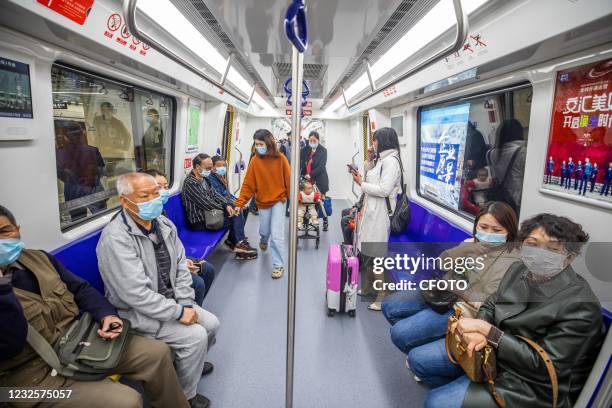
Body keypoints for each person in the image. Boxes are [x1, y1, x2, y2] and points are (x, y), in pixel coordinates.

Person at [0, 205, 190, 408]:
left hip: (77, 343)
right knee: (126, 401)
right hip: (27, 381)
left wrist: (106, 315)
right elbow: (10, 346)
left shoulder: (39, 258)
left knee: (157, 354)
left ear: (17, 229)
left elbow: (81, 289)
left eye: (4, 231)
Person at [408, 214, 603, 408]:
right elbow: (491, 304)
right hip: (492, 352)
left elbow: (546, 367)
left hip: (529, 383)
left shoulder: (582, 305)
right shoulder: (518, 269)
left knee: (436, 402)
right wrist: (479, 334)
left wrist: (490, 333)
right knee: (418, 360)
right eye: (532, 244)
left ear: (569, 257)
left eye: (552, 250)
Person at [96, 173, 220, 408]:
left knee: (212, 324)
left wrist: (185, 305)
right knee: (195, 337)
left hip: (172, 303)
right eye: (145, 196)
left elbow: (182, 268)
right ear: (125, 201)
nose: (154, 199)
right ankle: (184, 395)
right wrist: (178, 314)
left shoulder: (164, 225)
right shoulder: (115, 238)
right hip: (138, 314)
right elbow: (134, 294)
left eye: (156, 193)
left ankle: (188, 364)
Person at [382, 202, 520, 360]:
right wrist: (466, 249)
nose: (488, 234)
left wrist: (456, 288)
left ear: (509, 232)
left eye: (496, 230)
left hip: (464, 309)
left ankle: (434, 346)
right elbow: (441, 263)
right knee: (389, 305)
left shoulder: (511, 262)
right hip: (443, 293)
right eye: (483, 227)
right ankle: (428, 340)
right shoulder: (472, 244)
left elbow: (485, 302)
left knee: (400, 333)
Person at [143, 169, 216, 306]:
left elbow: (172, 242)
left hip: (172, 257)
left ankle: (195, 307)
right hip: (159, 267)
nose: (164, 191)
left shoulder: (160, 213)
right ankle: (188, 312)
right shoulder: (134, 223)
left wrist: (183, 260)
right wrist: (178, 265)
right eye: (159, 187)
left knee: (208, 269)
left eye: (166, 187)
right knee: (197, 283)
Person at [351, 127, 402, 310]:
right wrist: (370, 159)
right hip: (372, 211)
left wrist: (360, 184)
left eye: (375, 140)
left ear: (383, 141)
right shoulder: (382, 160)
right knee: (369, 252)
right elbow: (372, 177)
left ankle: (382, 295)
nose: (373, 143)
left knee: (377, 255)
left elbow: (383, 190)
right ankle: (367, 287)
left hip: (381, 214)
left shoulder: (391, 162)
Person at [234, 129, 291, 279]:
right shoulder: (255, 161)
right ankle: (263, 239)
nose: (258, 146)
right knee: (265, 230)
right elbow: (248, 184)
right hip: (263, 201)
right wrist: (240, 203)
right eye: (256, 144)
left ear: (269, 143)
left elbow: (289, 181)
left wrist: (295, 203)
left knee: (277, 234)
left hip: (279, 200)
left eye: (261, 143)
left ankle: (278, 265)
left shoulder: (281, 159)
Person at [182, 154, 257, 259]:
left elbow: (215, 195)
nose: (209, 170)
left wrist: (226, 204)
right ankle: (237, 242)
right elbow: (205, 203)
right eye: (207, 168)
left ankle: (236, 241)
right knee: (235, 214)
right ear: (198, 167)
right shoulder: (191, 183)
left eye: (210, 167)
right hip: (200, 221)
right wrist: (225, 208)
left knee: (236, 209)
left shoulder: (205, 179)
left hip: (211, 215)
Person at [55, 121, 107, 221]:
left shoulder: (58, 153)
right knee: (101, 218)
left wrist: (72, 181)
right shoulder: (93, 150)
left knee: (78, 221)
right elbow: (101, 171)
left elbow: (60, 174)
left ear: (65, 136)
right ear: (82, 133)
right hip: (93, 188)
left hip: (72, 191)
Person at [486, 119, 527, 213]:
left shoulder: (490, 153)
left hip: (498, 198)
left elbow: (493, 176)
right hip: (516, 201)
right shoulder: (523, 152)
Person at [300, 131, 330, 231]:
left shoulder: (323, 151)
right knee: (307, 201)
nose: (312, 142)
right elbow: (302, 163)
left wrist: (310, 174)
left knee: (320, 202)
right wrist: (303, 175)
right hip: (307, 181)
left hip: (320, 180)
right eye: (310, 140)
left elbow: (321, 166)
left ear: (318, 140)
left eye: (314, 140)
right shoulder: (305, 150)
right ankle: (307, 221)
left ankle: (325, 221)